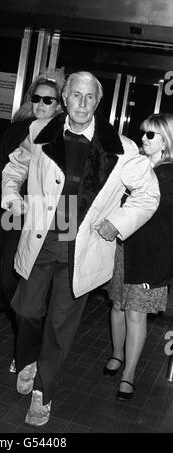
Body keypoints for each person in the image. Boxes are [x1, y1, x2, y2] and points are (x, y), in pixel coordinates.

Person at [1, 71, 160, 426]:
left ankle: (44, 393)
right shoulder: (40, 133)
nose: (83, 104)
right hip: (41, 243)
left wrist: (118, 222)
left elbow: (148, 194)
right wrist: (11, 197)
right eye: (76, 96)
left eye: (90, 97)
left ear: (98, 102)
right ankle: (26, 358)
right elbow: (14, 168)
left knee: (60, 325)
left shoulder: (122, 148)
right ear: (65, 97)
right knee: (26, 310)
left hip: (81, 253)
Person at [0, 75, 64, 372]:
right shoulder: (16, 130)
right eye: (36, 98)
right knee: (8, 279)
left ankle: (26, 353)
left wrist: (68, 227)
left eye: (48, 100)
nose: (40, 104)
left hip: (50, 219)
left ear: (59, 105)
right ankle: (26, 344)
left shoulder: (65, 135)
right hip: (12, 211)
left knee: (37, 288)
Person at [104, 113, 173, 400]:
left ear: (167, 140)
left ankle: (129, 374)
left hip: (151, 256)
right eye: (143, 132)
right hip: (124, 249)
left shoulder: (168, 173)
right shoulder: (137, 165)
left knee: (135, 313)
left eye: (151, 135)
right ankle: (117, 355)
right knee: (118, 305)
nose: (143, 138)